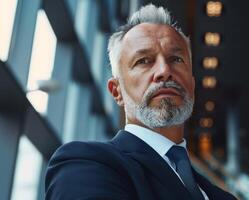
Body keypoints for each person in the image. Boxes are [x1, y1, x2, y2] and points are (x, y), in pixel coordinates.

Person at [45, 4, 237, 200]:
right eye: (144, 61)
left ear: (192, 84)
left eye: (176, 59)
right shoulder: (84, 165)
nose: (164, 71)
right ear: (116, 91)